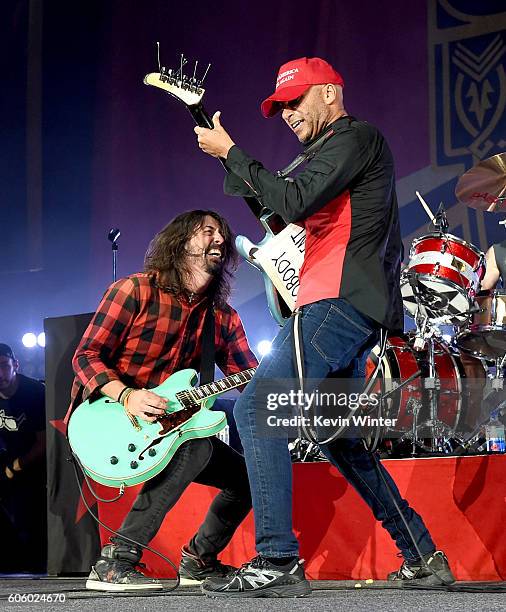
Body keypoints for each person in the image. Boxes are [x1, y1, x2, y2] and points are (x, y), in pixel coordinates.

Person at [195, 57, 456, 598]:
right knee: (340, 440)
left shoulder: (355, 137)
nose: (288, 113)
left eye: (296, 101)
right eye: (281, 107)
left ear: (331, 94)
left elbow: (291, 198)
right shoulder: (324, 155)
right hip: (339, 304)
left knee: (255, 405)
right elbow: (280, 214)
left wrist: (234, 153)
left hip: (338, 303)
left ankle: (277, 558)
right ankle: (424, 557)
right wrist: (230, 156)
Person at [66, 210, 257, 591]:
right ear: (182, 241)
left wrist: (295, 371)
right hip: (109, 420)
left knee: (248, 477)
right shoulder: (134, 290)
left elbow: (251, 376)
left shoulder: (221, 317)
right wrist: (128, 395)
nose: (219, 240)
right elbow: (85, 356)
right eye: (208, 232)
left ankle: (199, 559)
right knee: (192, 446)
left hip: (169, 429)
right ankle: (116, 561)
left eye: (222, 234)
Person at [0, 343, 46, 573]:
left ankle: (35, 568)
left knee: (31, 516)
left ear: (15, 365)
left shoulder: (34, 392)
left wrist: (15, 467)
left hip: (36, 464)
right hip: (7, 458)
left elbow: (45, 443)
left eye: (3, 366)